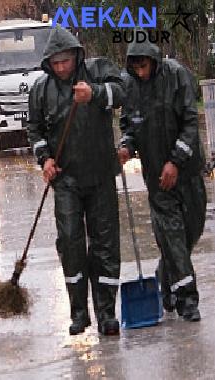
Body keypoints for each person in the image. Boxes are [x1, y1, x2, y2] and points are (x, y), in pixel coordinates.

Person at [27, 25, 125, 336]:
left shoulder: (98, 70)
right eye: (55, 63)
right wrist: (45, 159)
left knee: (105, 243)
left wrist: (95, 94)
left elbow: (123, 91)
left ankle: (107, 312)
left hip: (100, 176)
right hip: (66, 180)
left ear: (76, 56)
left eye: (65, 61)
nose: (61, 68)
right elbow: (35, 132)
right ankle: (79, 313)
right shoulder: (41, 90)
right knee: (70, 242)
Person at [118, 37, 206, 322]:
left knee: (191, 231)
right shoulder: (129, 86)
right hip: (157, 177)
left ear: (153, 61)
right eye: (136, 68)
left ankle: (164, 274)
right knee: (172, 234)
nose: (140, 72)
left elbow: (190, 122)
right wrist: (127, 146)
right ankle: (187, 299)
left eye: (144, 66)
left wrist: (176, 161)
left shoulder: (176, 75)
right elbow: (129, 125)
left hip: (188, 170)